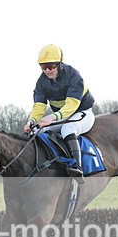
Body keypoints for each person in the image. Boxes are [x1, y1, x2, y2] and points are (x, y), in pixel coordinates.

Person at [23, 44, 95, 181]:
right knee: (37, 130)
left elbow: (71, 106)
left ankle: (77, 166)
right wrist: (31, 121)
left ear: (60, 64)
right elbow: (39, 106)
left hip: (82, 113)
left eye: (51, 66)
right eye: (44, 67)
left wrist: (53, 117)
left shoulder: (74, 76)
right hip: (62, 116)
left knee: (68, 129)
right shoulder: (41, 82)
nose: (47, 70)